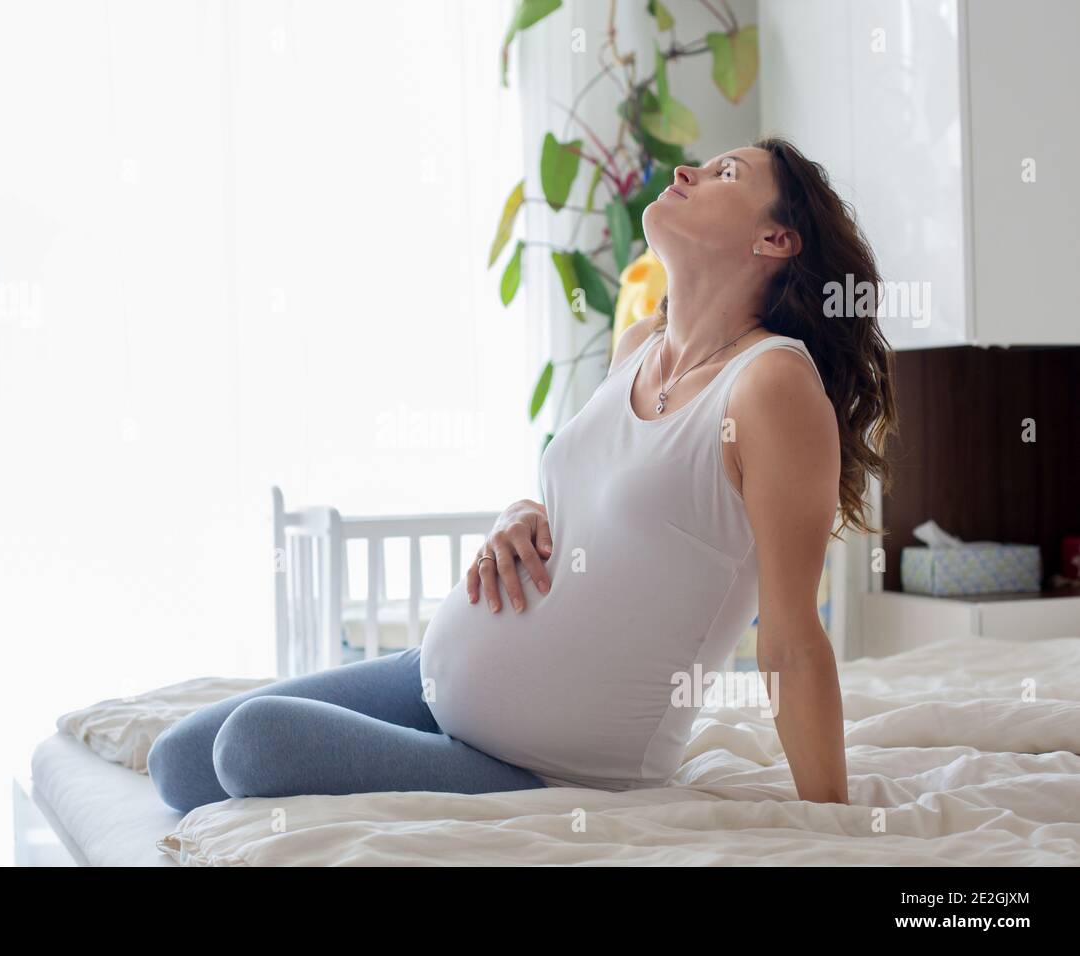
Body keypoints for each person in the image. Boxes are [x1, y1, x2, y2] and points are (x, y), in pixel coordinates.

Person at [147, 136, 896, 814]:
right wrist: (524, 512)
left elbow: (790, 638)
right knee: (177, 763)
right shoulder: (637, 345)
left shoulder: (771, 386)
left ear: (775, 239)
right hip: (431, 677)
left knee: (253, 744)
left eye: (726, 173)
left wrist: (830, 824)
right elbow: (613, 505)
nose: (686, 171)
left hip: (548, 765)